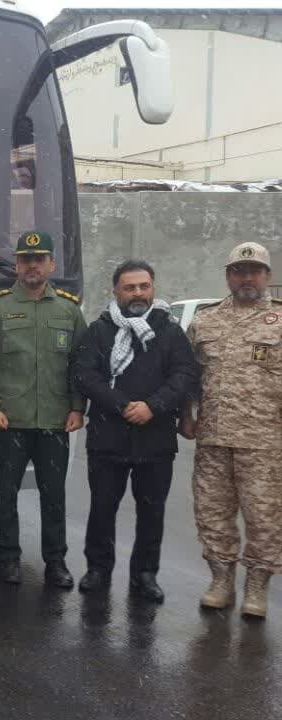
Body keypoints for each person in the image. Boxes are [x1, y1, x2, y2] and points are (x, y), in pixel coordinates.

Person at [71, 260, 198, 603]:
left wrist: (152, 406)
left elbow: (184, 374)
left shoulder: (169, 331)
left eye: (144, 286)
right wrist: (122, 404)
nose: (138, 293)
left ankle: (145, 574)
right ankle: (98, 569)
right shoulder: (100, 330)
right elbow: (85, 374)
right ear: (116, 291)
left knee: (152, 512)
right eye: (130, 287)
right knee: (102, 509)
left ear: (153, 288)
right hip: (107, 437)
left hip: (155, 439)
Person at [0, 230, 88, 588]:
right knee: (7, 493)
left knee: (54, 495)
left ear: (51, 264)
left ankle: (56, 562)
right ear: (17, 265)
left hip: (55, 421)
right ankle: (8, 559)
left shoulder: (69, 309)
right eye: (25, 259)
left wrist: (78, 407)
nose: (32, 265)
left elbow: (80, 367)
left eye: (39, 259)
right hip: (10, 421)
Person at [183, 242, 282, 619]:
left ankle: (256, 587)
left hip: (266, 442)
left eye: (255, 271)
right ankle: (221, 580)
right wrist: (186, 415)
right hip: (214, 439)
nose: (247, 278)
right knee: (212, 513)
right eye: (239, 271)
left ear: (267, 277)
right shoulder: (206, 321)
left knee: (265, 518)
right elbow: (189, 376)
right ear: (228, 276)